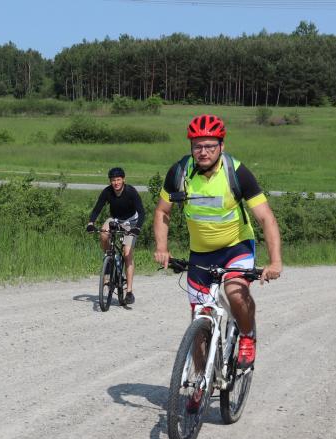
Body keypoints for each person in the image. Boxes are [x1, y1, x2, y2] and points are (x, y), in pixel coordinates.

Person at [153, 114, 282, 372]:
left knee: (235, 292)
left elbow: (266, 218)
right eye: (197, 146)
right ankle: (200, 383)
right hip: (201, 253)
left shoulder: (237, 172)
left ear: (221, 146)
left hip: (236, 247)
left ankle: (247, 337)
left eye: (210, 146)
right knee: (199, 319)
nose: (203, 152)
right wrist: (162, 248)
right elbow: (162, 211)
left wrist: (275, 261)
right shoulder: (180, 172)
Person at [86, 167, 145, 305]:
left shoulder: (131, 191)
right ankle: (109, 258)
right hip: (116, 219)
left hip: (131, 222)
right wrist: (90, 223)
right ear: (110, 181)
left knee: (127, 253)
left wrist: (137, 228)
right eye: (113, 180)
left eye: (118, 179)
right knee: (103, 233)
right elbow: (97, 208)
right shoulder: (107, 192)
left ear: (123, 180)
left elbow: (142, 212)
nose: (116, 183)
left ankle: (129, 291)